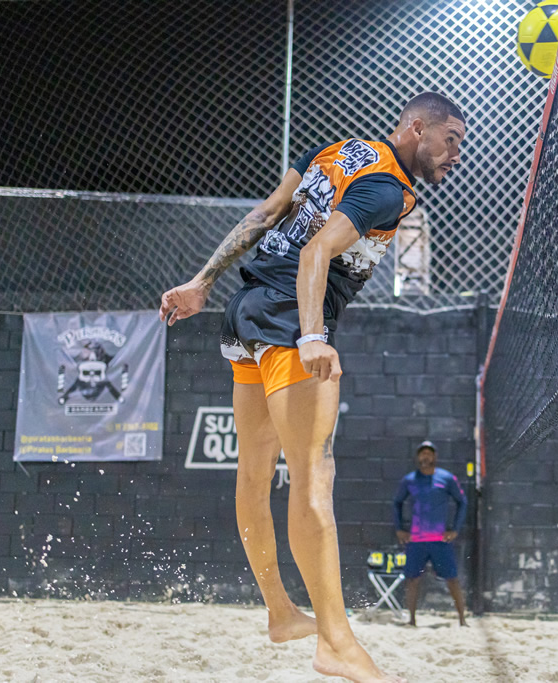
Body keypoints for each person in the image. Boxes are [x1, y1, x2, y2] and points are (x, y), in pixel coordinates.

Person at [159, 92, 466, 682]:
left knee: (254, 473)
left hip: (245, 311)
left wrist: (202, 282)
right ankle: (336, 643)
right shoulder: (389, 189)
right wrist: (313, 335)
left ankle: (280, 611)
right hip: (288, 318)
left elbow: (266, 213)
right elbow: (315, 252)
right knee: (314, 476)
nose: (456, 154)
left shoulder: (339, 151)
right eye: (450, 139)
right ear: (416, 128)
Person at [393, 440, 468, 627]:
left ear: (435, 456)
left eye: (429, 453)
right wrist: (399, 529)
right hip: (417, 541)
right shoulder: (410, 480)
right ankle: (412, 620)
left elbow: (462, 502)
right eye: (422, 453)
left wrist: (455, 529)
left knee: (452, 579)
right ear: (417, 457)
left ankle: (462, 620)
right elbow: (397, 503)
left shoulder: (446, 478)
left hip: (439, 540)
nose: (425, 456)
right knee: (412, 579)